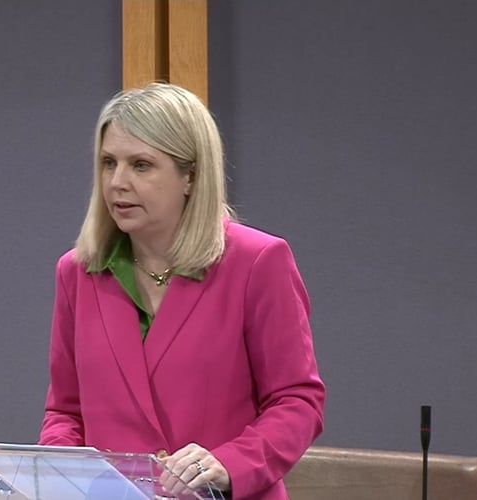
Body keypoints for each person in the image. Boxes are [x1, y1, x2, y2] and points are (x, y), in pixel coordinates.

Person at [38, 82, 325, 499]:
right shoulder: (78, 273)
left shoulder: (257, 261)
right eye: (108, 162)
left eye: (141, 165)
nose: (117, 182)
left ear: (190, 175)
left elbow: (298, 401)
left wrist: (231, 462)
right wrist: (62, 472)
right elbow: (65, 410)